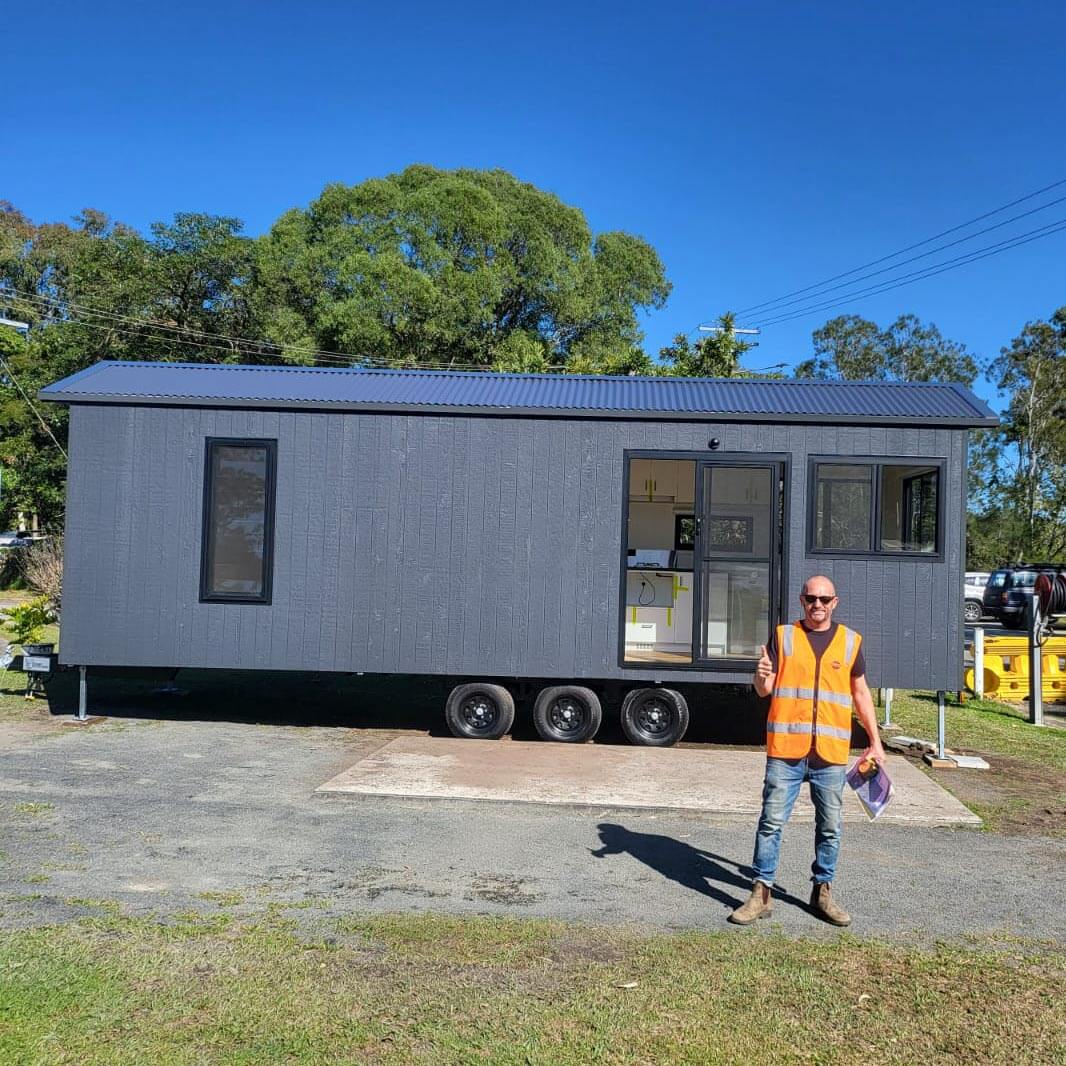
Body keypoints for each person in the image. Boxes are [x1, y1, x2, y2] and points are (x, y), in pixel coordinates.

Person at [728, 575, 885, 927]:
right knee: (770, 823)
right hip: (786, 751)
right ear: (802, 600)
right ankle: (761, 894)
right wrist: (760, 678)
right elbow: (763, 689)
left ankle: (822, 893)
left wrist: (875, 742)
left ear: (835, 602)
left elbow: (860, 693)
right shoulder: (783, 637)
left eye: (824, 599)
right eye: (811, 598)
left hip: (829, 755)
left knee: (830, 826)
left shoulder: (849, 642)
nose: (818, 605)